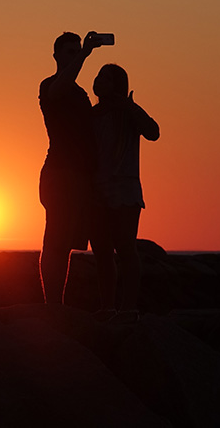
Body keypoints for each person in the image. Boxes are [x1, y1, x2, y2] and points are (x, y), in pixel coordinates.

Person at [38, 31, 108, 304]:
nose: (75, 55)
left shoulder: (80, 94)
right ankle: (52, 305)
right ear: (56, 55)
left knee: (66, 242)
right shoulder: (49, 85)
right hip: (58, 173)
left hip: (81, 177)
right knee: (54, 239)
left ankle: (58, 305)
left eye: (76, 50)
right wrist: (84, 55)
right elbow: (59, 90)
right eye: (70, 51)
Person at [88, 63, 159, 322]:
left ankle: (129, 308)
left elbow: (153, 132)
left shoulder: (128, 113)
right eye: (98, 76)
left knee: (126, 248)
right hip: (96, 190)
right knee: (102, 251)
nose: (98, 81)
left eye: (105, 77)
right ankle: (107, 307)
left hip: (124, 187)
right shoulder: (91, 115)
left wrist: (130, 106)